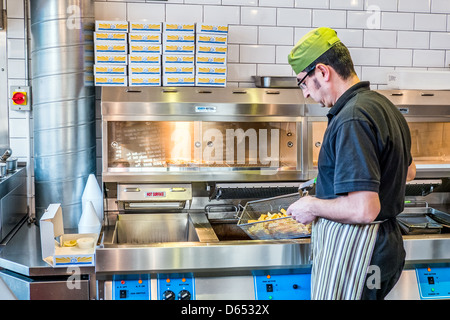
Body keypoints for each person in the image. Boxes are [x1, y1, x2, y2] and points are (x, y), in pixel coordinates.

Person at [286, 27, 416, 300]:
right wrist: (332, 180)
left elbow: (364, 209)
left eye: (303, 83)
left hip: (361, 250)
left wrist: (312, 205)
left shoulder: (351, 118)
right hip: (385, 247)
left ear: (322, 72)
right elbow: (408, 171)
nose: (306, 94)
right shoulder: (382, 105)